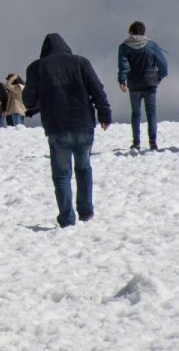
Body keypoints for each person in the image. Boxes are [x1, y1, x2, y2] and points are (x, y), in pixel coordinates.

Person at [23, 33, 112, 228]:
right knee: (84, 168)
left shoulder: (36, 67)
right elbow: (97, 89)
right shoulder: (81, 62)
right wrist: (105, 114)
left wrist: (43, 98)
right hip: (84, 124)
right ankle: (86, 211)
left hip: (57, 127)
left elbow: (28, 101)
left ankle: (66, 218)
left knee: (62, 175)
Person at [116, 21, 168, 151]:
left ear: (131, 32)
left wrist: (122, 80)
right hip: (150, 83)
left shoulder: (124, 46)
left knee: (136, 113)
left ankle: (136, 142)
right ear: (143, 31)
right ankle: (153, 141)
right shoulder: (152, 45)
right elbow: (163, 65)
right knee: (151, 112)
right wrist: (159, 77)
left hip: (134, 83)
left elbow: (123, 65)